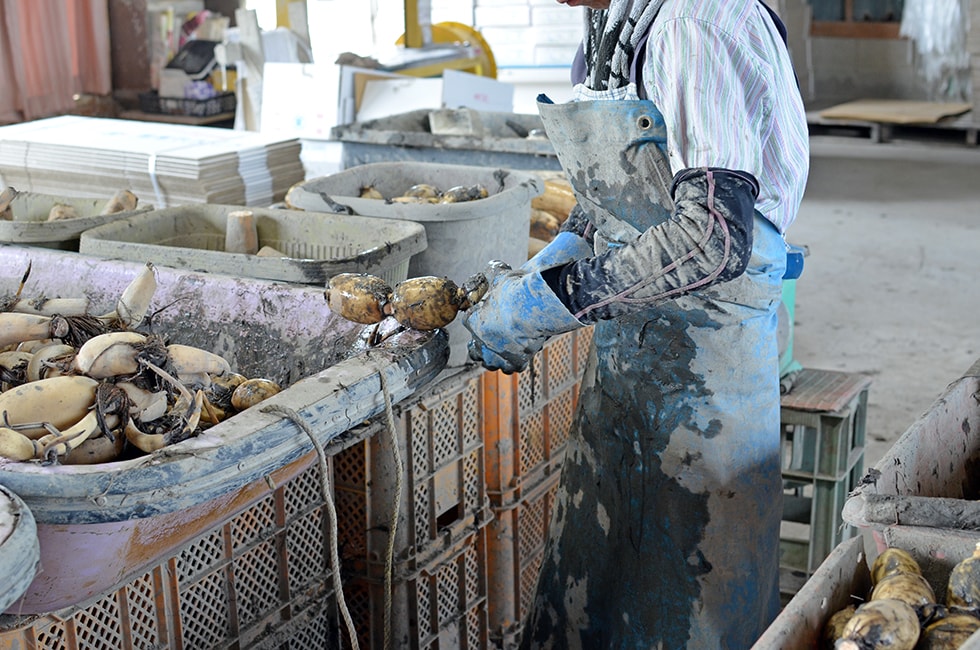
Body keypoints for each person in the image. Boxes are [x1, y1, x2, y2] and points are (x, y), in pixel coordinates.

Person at [462, 0, 810, 647]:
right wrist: (562, 251)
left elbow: (712, 237)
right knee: (602, 578)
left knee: (692, 597)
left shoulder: (691, 25)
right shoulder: (616, 14)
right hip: (633, 336)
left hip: (709, 354)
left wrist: (556, 299)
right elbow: (625, 190)